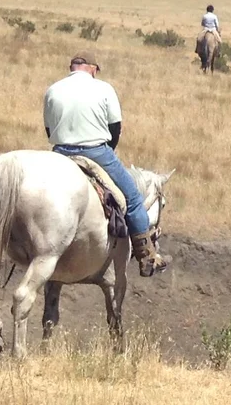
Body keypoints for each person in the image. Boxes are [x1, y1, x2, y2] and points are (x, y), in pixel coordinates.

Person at [44, 54, 169, 276]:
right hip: (96, 152)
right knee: (133, 199)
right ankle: (147, 256)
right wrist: (109, 149)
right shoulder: (103, 88)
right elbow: (115, 128)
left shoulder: (53, 89)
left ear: (71, 68)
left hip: (60, 152)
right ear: (93, 69)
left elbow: (48, 130)